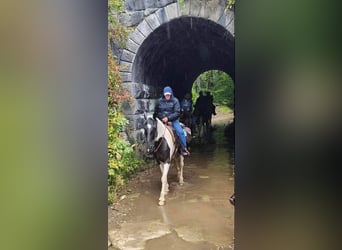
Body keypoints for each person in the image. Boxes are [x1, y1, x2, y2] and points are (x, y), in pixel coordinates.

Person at [154, 86, 190, 156]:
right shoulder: (159, 101)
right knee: (152, 132)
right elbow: (156, 112)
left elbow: (177, 112)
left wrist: (168, 118)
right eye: (166, 94)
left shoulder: (175, 101)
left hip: (173, 120)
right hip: (162, 120)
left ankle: (183, 148)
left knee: (180, 132)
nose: (167, 96)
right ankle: (152, 149)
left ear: (171, 94)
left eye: (168, 94)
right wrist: (162, 117)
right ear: (164, 94)